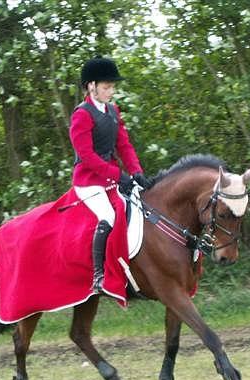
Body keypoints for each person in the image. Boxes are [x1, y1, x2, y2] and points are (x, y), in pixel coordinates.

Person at [69, 56, 151, 293]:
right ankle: (98, 277)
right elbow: (87, 156)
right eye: (106, 87)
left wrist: (136, 172)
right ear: (91, 85)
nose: (111, 91)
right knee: (108, 216)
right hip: (88, 180)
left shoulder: (113, 111)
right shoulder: (81, 114)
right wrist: (117, 175)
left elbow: (124, 146)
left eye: (112, 87)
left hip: (109, 176)